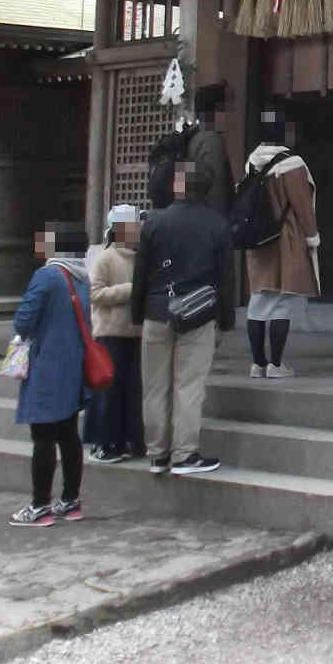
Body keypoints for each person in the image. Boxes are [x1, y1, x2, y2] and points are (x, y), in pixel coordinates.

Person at [130, 162, 235, 476]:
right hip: (198, 314)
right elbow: (226, 279)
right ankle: (185, 454)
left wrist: (137, 313)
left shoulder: (153, 222)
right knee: (188, 386)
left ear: (177, 186)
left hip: (156, 311)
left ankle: (157, 453)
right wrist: (226, 320)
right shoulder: (217, 224)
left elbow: (140, 274)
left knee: (154, 387)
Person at [8, 224, 92, 526]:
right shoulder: (80, 277)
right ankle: (71, 501)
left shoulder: (47, 275)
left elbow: (24, 320)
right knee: (68, 435)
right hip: (72, 364)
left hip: (46, 364)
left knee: (42, 436)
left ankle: (40, 506)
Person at [241, 126, 321, 379]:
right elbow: (303, 205)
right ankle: (276, 364)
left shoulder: (252, 162)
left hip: (256, 239)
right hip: (284, 238)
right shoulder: (293, 164)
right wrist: (312, 237)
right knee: (282, 303)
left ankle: (257, 364)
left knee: (258, 300)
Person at [84, 204, 144, 462]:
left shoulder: (140, 257)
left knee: (130, 391)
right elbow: (95, 294)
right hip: (110, 334)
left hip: (135, 333)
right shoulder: (105, 257)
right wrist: (129, 289)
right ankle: (104, 442)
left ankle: (127, 440)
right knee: (108, 391)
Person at [182, 83, 234, 212]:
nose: (232, 111)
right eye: (228, 106)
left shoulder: (195, 136)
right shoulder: (211, 142)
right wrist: (219, 226)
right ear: (218, 109)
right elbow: (216, 191)